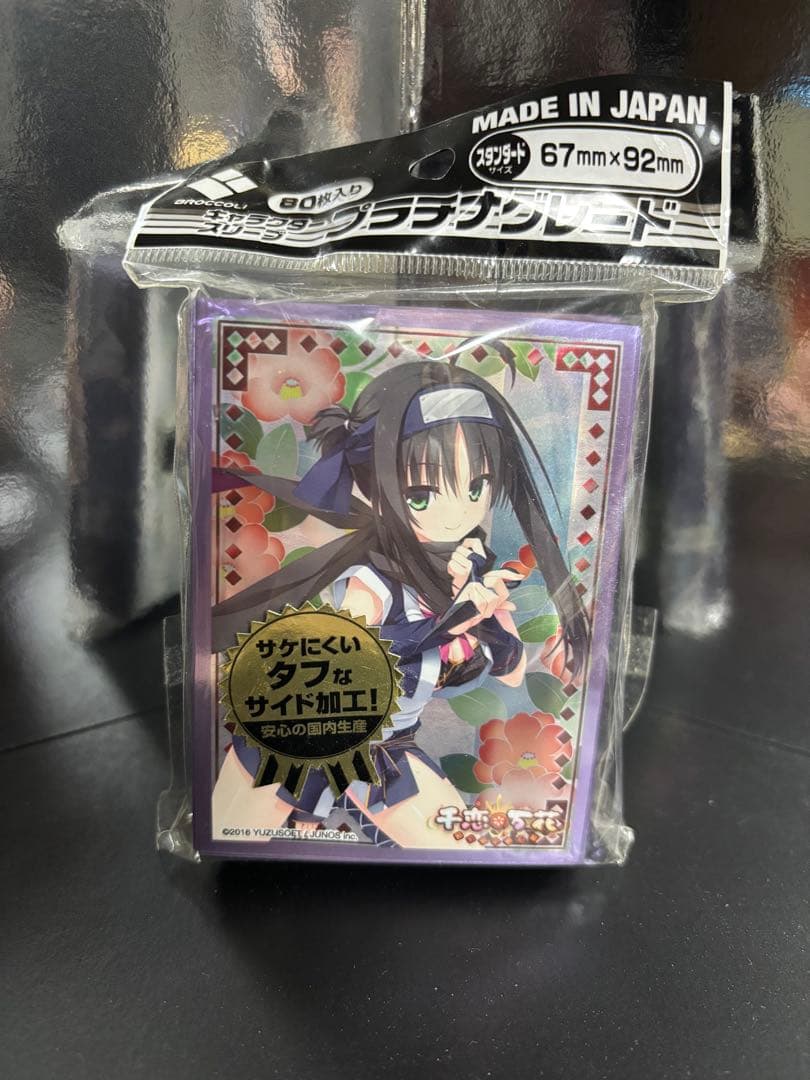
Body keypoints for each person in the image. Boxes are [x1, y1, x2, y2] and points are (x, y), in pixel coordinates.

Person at [211, 359, 588, 846]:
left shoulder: (471, 570)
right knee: (229, 841)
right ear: (378, 486)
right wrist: (445, 626)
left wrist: (486, 620)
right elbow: (343, 663)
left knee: (461, 848)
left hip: (383, 754)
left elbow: (512, 672)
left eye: (477, 487)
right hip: (293, 745)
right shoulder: (372, 579)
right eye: (423, 494)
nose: (457, 514)